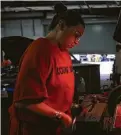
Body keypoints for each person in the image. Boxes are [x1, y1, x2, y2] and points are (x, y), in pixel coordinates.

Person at [9, 3, 85, 135]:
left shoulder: (64, 53)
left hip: (55, 127)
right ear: (61, 25)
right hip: (36, 129)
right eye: (76, 34)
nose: (77, 41)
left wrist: (71, 108)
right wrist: (60, 115)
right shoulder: (40, 50)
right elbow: (25, 102)